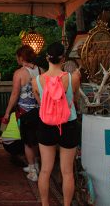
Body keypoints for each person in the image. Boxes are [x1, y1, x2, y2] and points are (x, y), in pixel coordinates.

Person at [31, 42, 81, 206]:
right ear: (63, 59)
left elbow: (40, 103)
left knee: (45, 170)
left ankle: (45, 204)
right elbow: (75, 100)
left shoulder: (36, 80)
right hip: (68, 124)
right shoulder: (71, 78)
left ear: (47, 58)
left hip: (46, 125)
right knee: (67, 172)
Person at [2, 45, 42, 181]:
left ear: (21, 57)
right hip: (41, 111)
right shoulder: (42, 70)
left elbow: (14, 94)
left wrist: (7, 112)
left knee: (27, 142)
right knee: (36, 140)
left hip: (25, 112)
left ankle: (32, 171)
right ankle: (36, 164)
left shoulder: (19, 73)